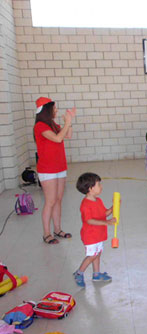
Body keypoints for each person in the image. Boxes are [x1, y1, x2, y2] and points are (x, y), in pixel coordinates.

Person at [33, 97, 76, 245]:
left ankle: (57, 229)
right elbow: (58, 139)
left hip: (60, 167)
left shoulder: (52, 124)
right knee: (50, 201)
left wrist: (69, 123)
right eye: (54, 108)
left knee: (58, 200)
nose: (56, 110)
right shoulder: (40, 126)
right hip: (48, 169)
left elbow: (67, 135)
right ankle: (46, 233)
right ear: (46, 110)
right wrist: (67, 123)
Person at [74, 173, 116, 287]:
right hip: (90, 235)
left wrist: (113, 207)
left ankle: (96, 274)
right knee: (92, 255)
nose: (101, 187)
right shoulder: (85, 205)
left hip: (98, 234)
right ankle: (79, 273)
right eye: (98, 185)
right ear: (90, 188)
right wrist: (106, 222)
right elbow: (89, 220)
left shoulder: (98, 200)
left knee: (97, 253)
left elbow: (104, 213)